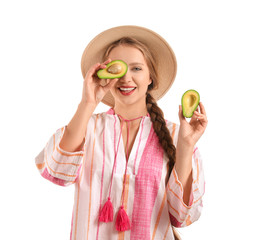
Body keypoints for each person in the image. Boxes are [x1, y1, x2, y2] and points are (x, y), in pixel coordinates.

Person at [35, 25, 207, 240]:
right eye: (119, 69)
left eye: (136, 68)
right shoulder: (87, 128)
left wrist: (186, 146)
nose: (126, 78)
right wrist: (89, 101)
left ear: (150, 77)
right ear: (104, 73)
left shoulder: (176, 135)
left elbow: (183, 216)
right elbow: (57, 172)